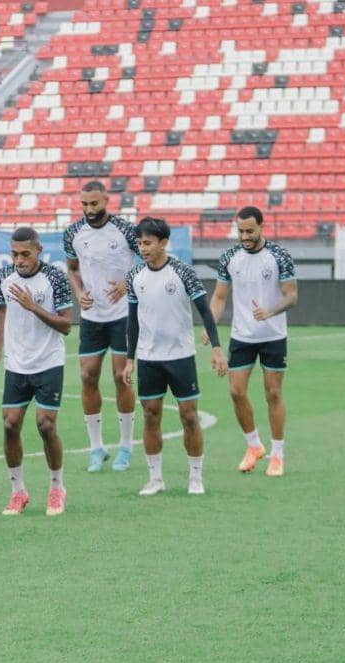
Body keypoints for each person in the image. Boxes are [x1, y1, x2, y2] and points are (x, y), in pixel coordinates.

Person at [122, 217, 228, 496]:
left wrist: (217, 348)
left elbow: (205, 311)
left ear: (163, 243)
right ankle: (155, 478)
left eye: (148, 243)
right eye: (139, 243)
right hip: (148, 358)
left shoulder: (183, 272)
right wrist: (130, 358)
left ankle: (195, 476)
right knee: (150, 415)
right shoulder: (134, 276)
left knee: (189, 416)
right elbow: (132, 321)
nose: (142, 249)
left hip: (181, 356)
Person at [206, 206, 297, 476]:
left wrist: (270, 311)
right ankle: (254, 445)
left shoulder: (279, 256)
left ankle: (277, 455)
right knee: (235, 391)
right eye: (240, 231)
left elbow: (291, 295)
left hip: (273, 335)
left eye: (249, 231)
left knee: (273, 393)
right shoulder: (230, 257)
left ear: (262, 227)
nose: (244, 236)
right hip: (242, 336)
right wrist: (210, 327)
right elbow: (220, 297)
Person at [0, 227, 73, 516]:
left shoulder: (54, 278)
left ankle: (56, 487)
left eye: (25, 254)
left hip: (48, 361)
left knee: (46, 425)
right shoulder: (3, 278)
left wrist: (32, 306)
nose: (19, 260)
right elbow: (1, 311)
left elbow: (66, 325)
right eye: (14, 254)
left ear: (38, 251)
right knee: (10, 424)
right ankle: (18, 492)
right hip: (17, 364)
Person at [63, 181, 140, 473]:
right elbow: (71, 268)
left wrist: (126, 283)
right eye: (84, 204)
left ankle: (126, 446)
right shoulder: (72, 233)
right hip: (92, 316)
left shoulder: (125, 230)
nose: (89, 210)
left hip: (122, 315)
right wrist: (79, 290)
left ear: (106, 200)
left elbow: (145, 261)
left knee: (122, 377)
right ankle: (96, 448)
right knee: (87, 375)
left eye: (94, 204)